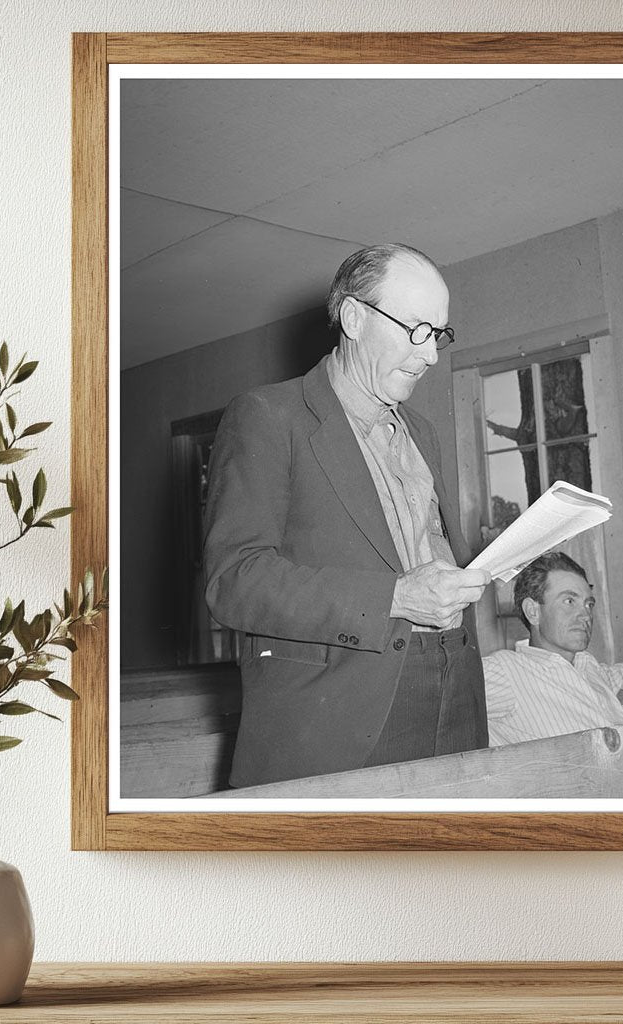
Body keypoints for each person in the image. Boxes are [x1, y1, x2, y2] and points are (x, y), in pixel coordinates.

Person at [204, 243, 491, 788]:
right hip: (343, 716)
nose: (430, 355)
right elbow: (234, 581)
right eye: (416, 329)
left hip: (457, 697)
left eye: (439, 333)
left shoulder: (421, 432)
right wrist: (396, 598)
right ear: (354, 318)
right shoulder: (268, 415)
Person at [482, 552, 623, 746]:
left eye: (588, 604)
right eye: (569, 601)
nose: (585, 615)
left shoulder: (588, 666)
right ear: (533, 612)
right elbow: (448, 696)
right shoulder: (506, 671)